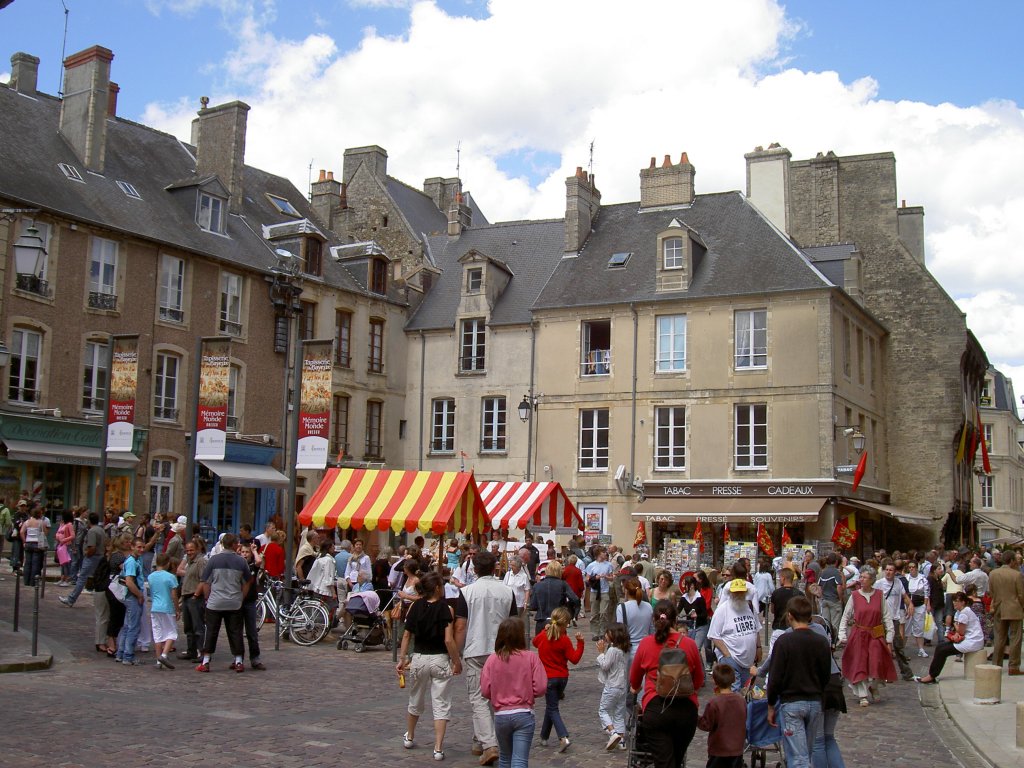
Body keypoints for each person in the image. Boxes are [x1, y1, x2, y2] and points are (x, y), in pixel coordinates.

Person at [459, 550, 519, 766]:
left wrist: (456, 654)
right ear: (495, 567)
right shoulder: (507, 591)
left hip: (475, 648)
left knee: (478, 699)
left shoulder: (467, 592)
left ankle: (489, 744)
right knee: (498, 696)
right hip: (501, 649)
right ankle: (480, 739)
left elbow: (460, 624)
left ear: (474, 569)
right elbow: (514, 622)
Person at [629, 600, 705, 768]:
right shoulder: (689, 644)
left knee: (664, 761)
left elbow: (634, 679)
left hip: (657, 709)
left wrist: (636, 687)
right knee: (675, 760)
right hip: (686, 710)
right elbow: (699, 681)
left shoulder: (646, 644)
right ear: (675, 621)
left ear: (654, 620)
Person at [396, 570, 463, 762]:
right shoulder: (446, 609)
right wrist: (456, 661)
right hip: (440, 659)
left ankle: (409, 735)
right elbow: (449, 640)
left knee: (415, 698)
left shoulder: (415, 606)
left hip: (419, 657)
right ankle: (438, 747)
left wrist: (402, 659)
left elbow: (407, 635)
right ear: (437, 588)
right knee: (441, 703)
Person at [766, 596, 832, 768]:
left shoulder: (784, 641)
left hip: (792, 703)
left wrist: (771, 704)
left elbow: (775, 676)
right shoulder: (821, 641)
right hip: (814, 701)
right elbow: (826, 674)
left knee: (799, 758)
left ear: (789, 616)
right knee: (804, 753)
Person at [481, 617, 547, 768]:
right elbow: (541, 687)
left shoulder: (492, 659)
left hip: (501, 715)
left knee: (505, 758)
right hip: (523, 712)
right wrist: (529, 692)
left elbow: (485, 690)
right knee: (520, 760)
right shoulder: (530, 657)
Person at [837, 565, 897, 707]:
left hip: (875, 633)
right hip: (859, 633)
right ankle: (862, 694)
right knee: (860, 663)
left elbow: (887, 617)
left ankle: (873, 686)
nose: (861, 580)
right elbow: (846, 616)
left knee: (876, 661)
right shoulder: (855, 596)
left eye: (865, 577)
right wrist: (842, 634)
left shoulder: (879, 595)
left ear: (872, 580)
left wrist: (889, 636)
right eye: (861, 577)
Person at [195, 532, 251, 673]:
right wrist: (241, 597)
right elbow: (247, 582)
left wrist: (208, 597)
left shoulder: (213, 560)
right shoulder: (241, 562)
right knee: (235, 631)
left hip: (215, 601)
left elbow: (205, 582)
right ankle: (238, 660)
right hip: (234, 601)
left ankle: (206, 661)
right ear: (233, 545)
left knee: (211, 632)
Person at [532, 607, 584, 753]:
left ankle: (563, 736)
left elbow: (535, 642)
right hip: (562, 678)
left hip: (548, 678)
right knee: (551, 705)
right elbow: (574, 659)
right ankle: (544, 736)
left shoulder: (544, 636)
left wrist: (544, 630)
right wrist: (580, 643)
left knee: (552, 707)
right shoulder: (565, 640)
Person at [914, 592, 984, 684]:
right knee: (940, 647)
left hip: (972, 642)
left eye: (957, 601)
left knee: (942, 651)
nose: (954, 603)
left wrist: (955, 625)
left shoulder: (964, 613)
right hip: (970, 639)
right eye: (954, 601)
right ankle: (932, 675)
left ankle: (931, 676)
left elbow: (961, 631)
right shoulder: (962, 611)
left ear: (963, 602)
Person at [708, 578, 762, 691]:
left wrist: (758, 647)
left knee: (746, 691)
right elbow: (714, 635)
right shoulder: (722, 610)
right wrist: (727, 655)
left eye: (741, 592)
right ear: (730, 593)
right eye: (735, 592)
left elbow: (756, 629)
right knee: (734, 693)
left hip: (748, 661)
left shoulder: (750, 607)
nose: (738, 595)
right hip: (731, 659)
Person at [698, 664, 747, 768]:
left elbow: (706, 725)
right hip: (736, 748)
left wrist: (696, 718)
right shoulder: (741, 700)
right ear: (733, 679)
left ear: (715, 681)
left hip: (719, 749)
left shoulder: (714, 703)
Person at [874, 561, 915, 681]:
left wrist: (910, 605)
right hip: (880, 620)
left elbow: (904, 596)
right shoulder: (878, 584)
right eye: (886, 570)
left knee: (898, 645)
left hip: (894, 619)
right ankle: (882, 673)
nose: (888, 572)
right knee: (881, 646)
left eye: (891, 570)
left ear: (895, 572)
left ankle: (906, 673)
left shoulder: (898, 583)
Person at [595, 622, 631, 751]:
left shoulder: (612, 650)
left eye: (607, 632)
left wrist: (600, 653)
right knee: (619, 713)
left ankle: (613, 733)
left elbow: (605, 665)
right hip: (622, 687)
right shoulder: (625, 650)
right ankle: (621, 741)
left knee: (603, 710)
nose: (605, 635)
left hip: (612, 686)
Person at [987, 552, 1024, 674]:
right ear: (1012, 560)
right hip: (1014, 609)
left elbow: (991, 592)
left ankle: (996, 665)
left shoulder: (993, 574)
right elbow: (1021, 595)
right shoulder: (1017, 575)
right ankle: (1013, 666)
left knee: (999, 637)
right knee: (1015, 638)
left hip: (999, 608)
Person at [60, 512, 105, 607]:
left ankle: (71, 599)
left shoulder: (92, 531)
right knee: (96, 578)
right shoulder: (101, 530)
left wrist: (87, 555)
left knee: (82, 578)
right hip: (99, 556)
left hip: (92, 557)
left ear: (89, 520)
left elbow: (92, 547)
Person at [115, 537, 147, 666]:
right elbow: (129, 582)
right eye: (139, 547)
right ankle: (128, 655)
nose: (141, 549)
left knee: (127, 626)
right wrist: (139, 595)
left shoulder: (134, 560)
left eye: (143, 547)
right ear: (132, 547)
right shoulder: (132, 562)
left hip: (130, 596)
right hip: (132, 596)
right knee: (133, 627)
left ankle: (121, 653)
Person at [528, 560, 579, 637]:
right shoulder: (563, 584)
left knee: (542, 646)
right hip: (558, 620)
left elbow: (533, 606)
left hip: (541, 620)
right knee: (558, 646)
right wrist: (570, 612)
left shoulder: (537, 585)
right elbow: (575, 600)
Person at [147, 552, 180, 670]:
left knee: (158, 633)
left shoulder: (151, 576)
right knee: (172, 632)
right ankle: (164, 655)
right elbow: (174, 595)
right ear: (168, 563)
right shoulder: (171, 577)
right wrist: (177, 609)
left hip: (155, 607)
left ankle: (158, 660)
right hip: (167, 607)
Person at [176, 538, 207, 661]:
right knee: (188, 626)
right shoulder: (190, 561)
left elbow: (203, 579)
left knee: (198, 626)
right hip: (187, 596)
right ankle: (191, 650)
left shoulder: (201, 562)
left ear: (197, 549)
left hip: (195, 597)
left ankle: (202, 652)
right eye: (187, 550)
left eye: (191, 550)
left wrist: (195, 595)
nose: (189, 552)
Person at [239, 542, 266, 670]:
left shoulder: (252, 566)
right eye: (243, 552)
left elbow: (259, 561)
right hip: (237, 600)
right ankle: (238, 658)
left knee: (252, 631)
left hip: (249, 600)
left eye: (247, 552)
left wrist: (254, 551)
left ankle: (255, 658)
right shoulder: (237, 564)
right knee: (237, 631)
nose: (245, 554)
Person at [616, 576, 654, 664]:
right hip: (645, 649)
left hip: (629, 651)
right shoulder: (648, 606)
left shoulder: (622, 608)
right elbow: (652, 631)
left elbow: (619, 632)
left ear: (626, 590)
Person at [678, 575, 710, 667]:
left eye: (686, 584)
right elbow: (678, 610)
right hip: (690, 626)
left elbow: (704, 614)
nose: (684, 587)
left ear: (692, 585)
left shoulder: (700, 598)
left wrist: (697, 615)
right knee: (690, 649)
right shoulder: (684, 598)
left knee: (696, 648)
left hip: (701, 626)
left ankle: (701, 672)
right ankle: (694, 668)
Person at [584, 547, 615, 639]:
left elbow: (612, 577)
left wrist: (606, 577)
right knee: (594, 614)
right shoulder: (591, 565)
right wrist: (596, 578)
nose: (605, 553)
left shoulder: (609, 565)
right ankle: (595, 633)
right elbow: (587, 578)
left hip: (605, 591)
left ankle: (602, 632)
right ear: (598, 554)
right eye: (603, 552)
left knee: (603, 613)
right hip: (594, 591)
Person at [904, 560, 930, 657]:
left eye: (913, 567)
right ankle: (902, 649)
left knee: (919, 627)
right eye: (909, 567)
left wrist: (925, 605)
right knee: (906, 626)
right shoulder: (906, 578)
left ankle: (921, 649)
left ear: (917, 568)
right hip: (908, 605)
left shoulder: (922, 578)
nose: (911, 569)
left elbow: (926, 593)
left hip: (919, 605)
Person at [817, 554, 845, 643]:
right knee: (834, 625)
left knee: (826, 623)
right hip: (834, 600)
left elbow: (819, 587)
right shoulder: (836, 572)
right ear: (836, 562)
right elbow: (839, 587)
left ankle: (826, 642)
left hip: (825, 600)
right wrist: (840, 599)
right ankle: (833, 644)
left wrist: (821, 597)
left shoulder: (823, 572)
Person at [19, 504, 49, 587]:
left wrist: (24, 541)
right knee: (35, 563)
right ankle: (33, 581)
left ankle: (26, 581)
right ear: (39, 514)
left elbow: (21, 532)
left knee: (27, 563)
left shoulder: (27, 522)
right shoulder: (41, 522)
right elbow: (45, 533)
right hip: (37, 544)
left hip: (28, 543)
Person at [503, 555, 531, 631]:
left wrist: (525, 602)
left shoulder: (523, 576)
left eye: (513, 565)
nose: (511, 567)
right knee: (508, 621)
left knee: (516, 622)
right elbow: (504, 587)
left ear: (518, 566)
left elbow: (527, 589)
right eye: (510, 564)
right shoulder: (508, 574)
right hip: (509, 602)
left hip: (519, 603)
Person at [55, 510, 75, 586]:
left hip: (66, 545)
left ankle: (67, 579)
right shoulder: (62, 524)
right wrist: (57, 537)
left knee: (66, 563)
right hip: (60, 545)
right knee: (62, 563)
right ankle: (62, 578)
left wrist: (64, 540)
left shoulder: (69, 525)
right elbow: (58, 532)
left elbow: (72, 536)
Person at [562, 555, 585, 622]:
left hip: (567, 590)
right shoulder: (578, 571)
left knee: (569, 606)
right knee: (578, 605)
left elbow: (562, 578)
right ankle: (575, 616)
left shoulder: (565, 570)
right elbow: (580, 582)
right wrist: (582, 590)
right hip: (576, 591)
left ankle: (568, 621)